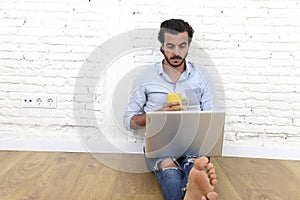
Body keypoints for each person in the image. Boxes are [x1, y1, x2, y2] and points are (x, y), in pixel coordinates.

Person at [124, 19, 218, 200]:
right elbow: (129, 122)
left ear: (189, 46)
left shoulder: (202, 76)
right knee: (170, 173)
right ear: (161, 45)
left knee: (193, 165)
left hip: (194, 146)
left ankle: (191, 184)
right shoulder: (146, 76)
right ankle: (191, 193)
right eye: (170, 46)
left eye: (182, 46)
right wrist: (155, 116)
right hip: (160, 147)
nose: (176, 52)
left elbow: (211, 118)